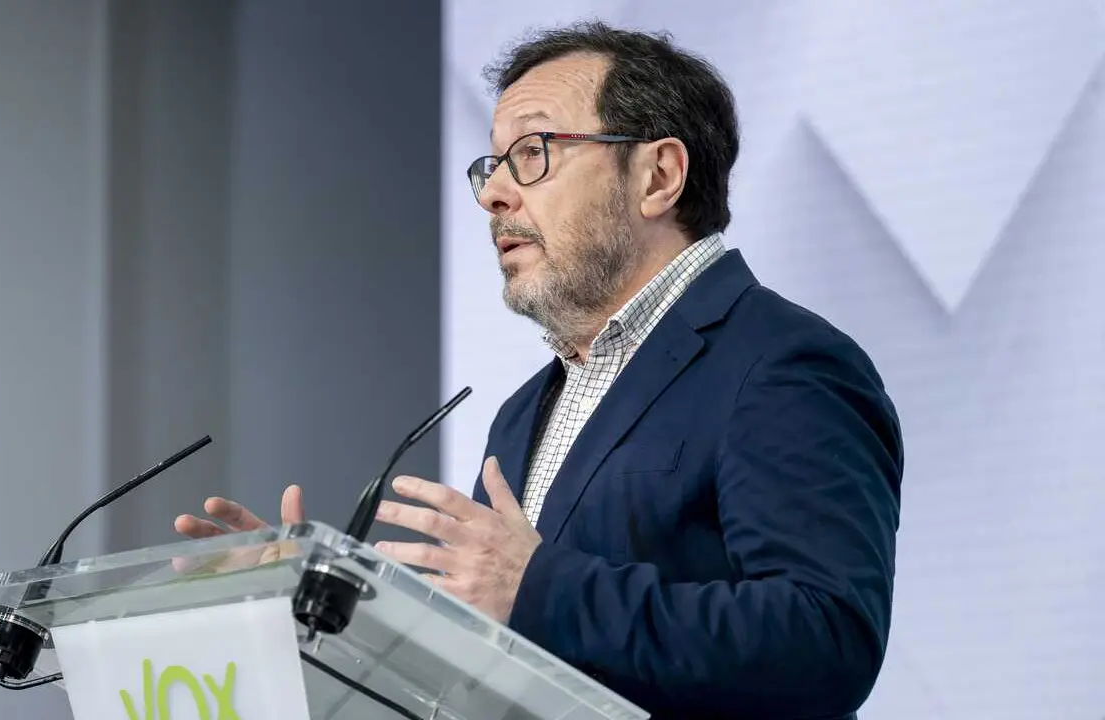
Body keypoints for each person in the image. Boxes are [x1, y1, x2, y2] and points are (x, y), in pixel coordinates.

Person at [176, 20, 903, 720]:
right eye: (492, 166)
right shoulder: (524, 412)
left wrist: (540, 587)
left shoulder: (782, 363)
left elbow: (826, 642)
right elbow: (488, 663)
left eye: (533, 154)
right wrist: (325, 604)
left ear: (659, 176)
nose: (494, 194)